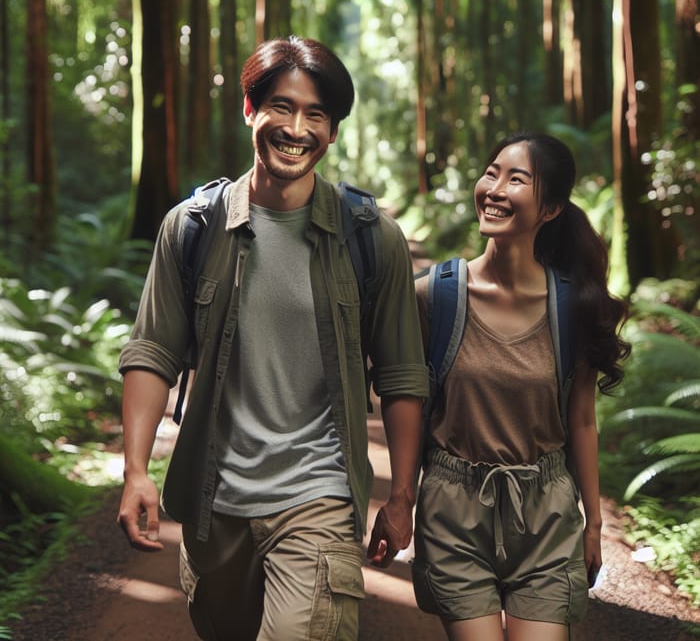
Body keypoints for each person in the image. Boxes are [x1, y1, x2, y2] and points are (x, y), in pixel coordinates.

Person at [116, 36, 429, 641]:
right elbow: (153, 350)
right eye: (281, 107)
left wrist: (402, 496)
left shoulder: (370, 238)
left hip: (320, 496)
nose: (297, 127)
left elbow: (401, 373)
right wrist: (135, 470)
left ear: (333, 131)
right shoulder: (192, 228)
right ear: (249, 110)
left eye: (317, 115)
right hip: (216, 505)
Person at [411, 133, 630, 641]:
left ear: (550, 209)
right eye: (491, 172)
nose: (495, 188)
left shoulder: (572, 306)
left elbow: (581, 420)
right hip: (454, 508)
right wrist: (401, 497)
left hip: (547, 513)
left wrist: (593, 523)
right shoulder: (433, 296)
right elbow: (406, 401)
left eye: (516, 179)